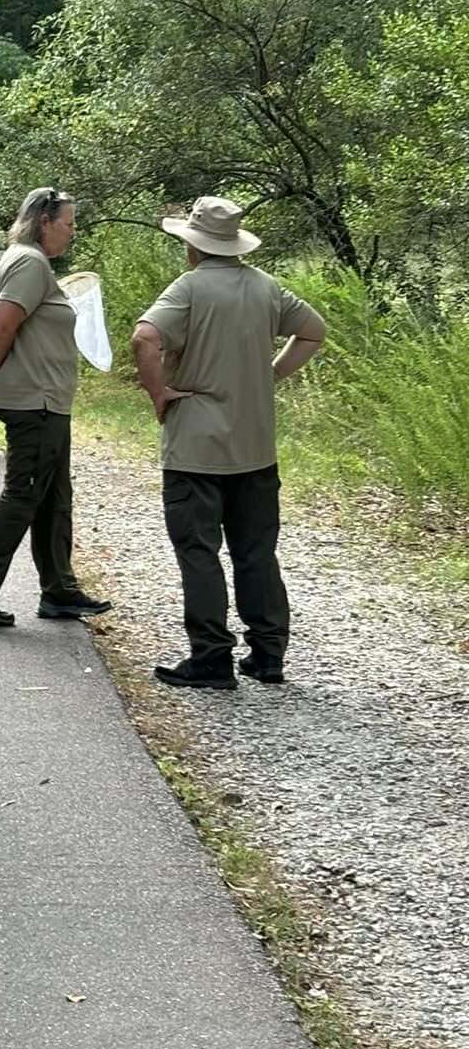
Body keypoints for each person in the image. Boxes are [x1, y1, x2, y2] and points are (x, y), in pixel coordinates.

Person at [131, 196, 327, 689]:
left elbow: (144, 338)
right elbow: (312, 331)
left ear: (192, 245)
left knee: (199, 549)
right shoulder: (265, 287)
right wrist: (269, 375)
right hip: (255, 444)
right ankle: (268, 654)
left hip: (195, 445)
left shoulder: (189, 289)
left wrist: (159, 393)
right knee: (256, 550)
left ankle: (212, 657)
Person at [0, 187, 112, 627]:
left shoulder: (24, 262)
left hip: (48, 399)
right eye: (68, 223)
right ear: (44, 222)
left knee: (54, 495)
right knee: (24, 492)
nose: (72, 232)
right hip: (32, 400)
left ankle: (60, 589)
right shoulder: (30, 264)